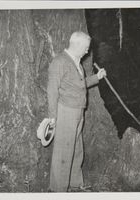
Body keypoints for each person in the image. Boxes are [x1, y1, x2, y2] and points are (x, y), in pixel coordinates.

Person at [47, 31, 106, 192]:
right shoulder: (59, 62)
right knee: (64, 151)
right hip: (66, 111)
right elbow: (52, 91)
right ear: (77, 45)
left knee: (76, 149)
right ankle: (58, 189)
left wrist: (97, 78)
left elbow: (79, 85)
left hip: (78, 112)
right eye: (86, 48)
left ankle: (74, 184)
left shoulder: (77, 63)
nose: (87, 51)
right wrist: (52, 116)